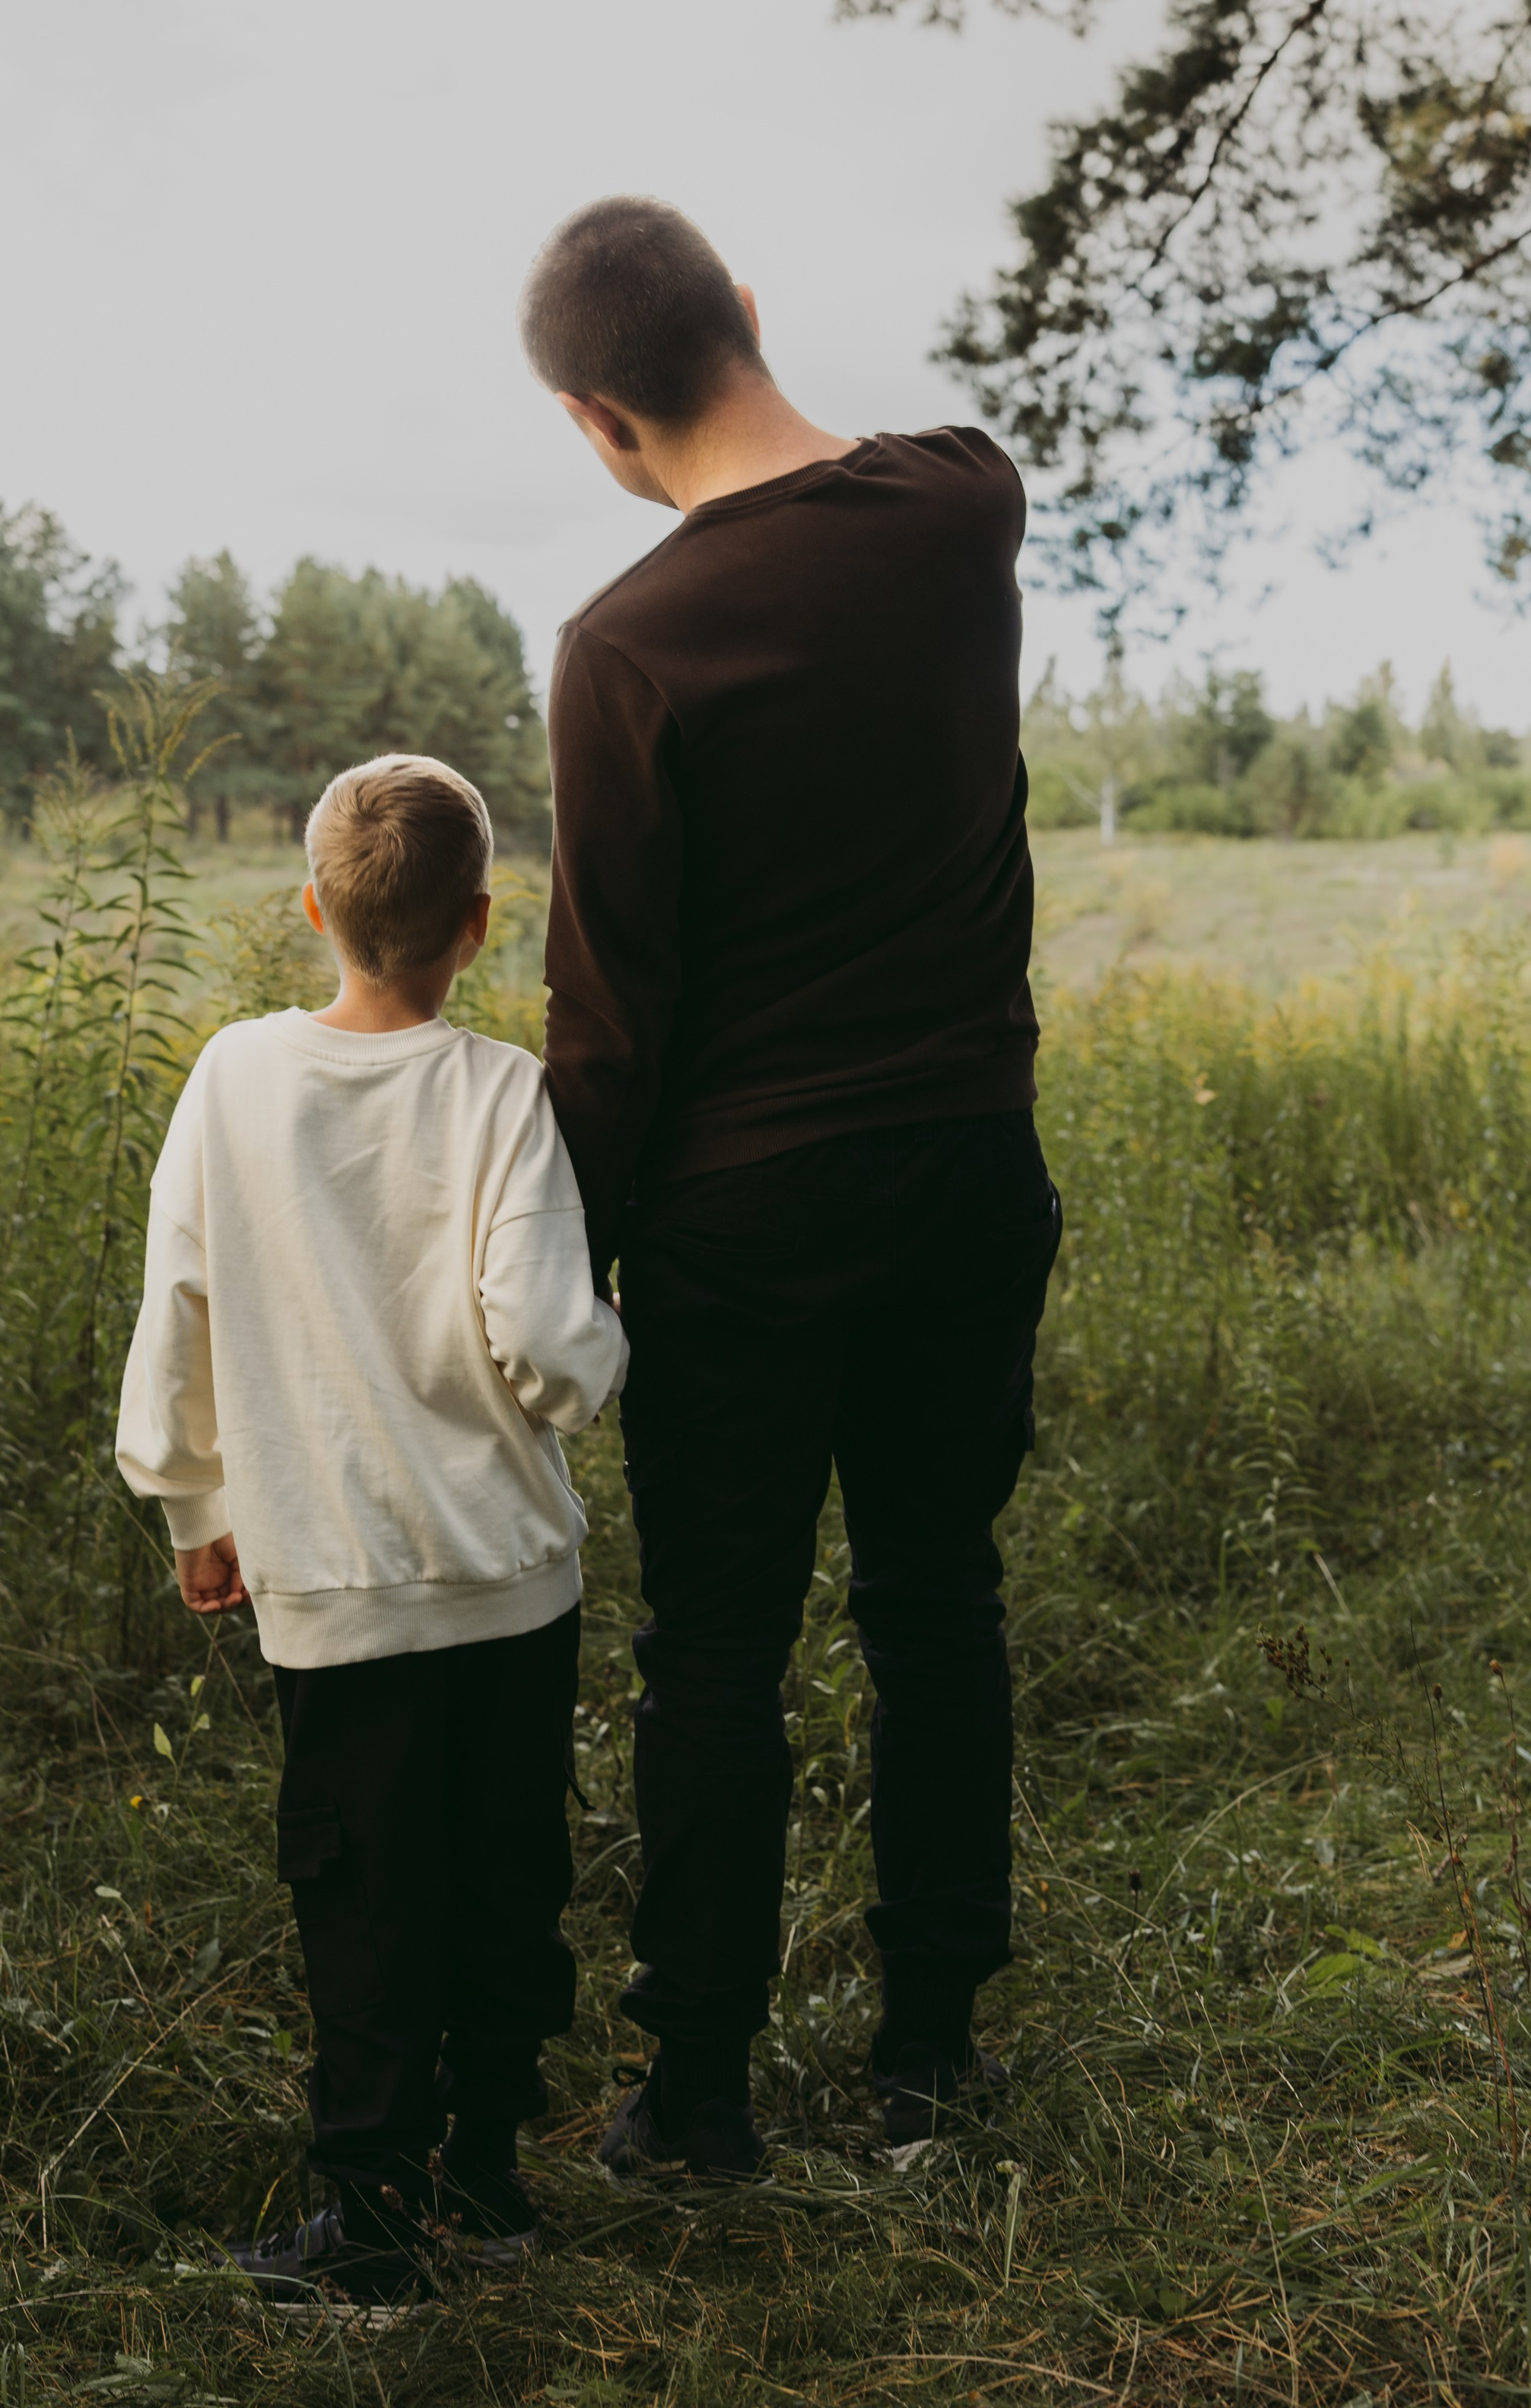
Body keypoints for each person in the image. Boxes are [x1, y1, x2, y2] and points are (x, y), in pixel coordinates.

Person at [524, 196, 1061, 2176]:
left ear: (592, 421)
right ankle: (929, 2056)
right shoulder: (964, 505)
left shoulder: (624, 651)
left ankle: (699, 2103)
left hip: (746, 1221)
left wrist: (561, 1268)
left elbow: (609, 1022)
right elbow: (884, 448)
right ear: (747, 308)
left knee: (716, 1656)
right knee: (936, 1603)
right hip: (967, 1168)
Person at [115, 753, 627, 2299]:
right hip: (509, 1582)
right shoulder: (502, 1092)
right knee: (505, 1879)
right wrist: (601, 1353)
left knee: (360, 1893)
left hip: (333, 1585)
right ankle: (490, 2179)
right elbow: (547, 1342)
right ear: (478, 924)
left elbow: (181, 1303)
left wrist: (195, 1503)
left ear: (312, 910)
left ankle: (376, 2218)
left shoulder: (233, 1077)